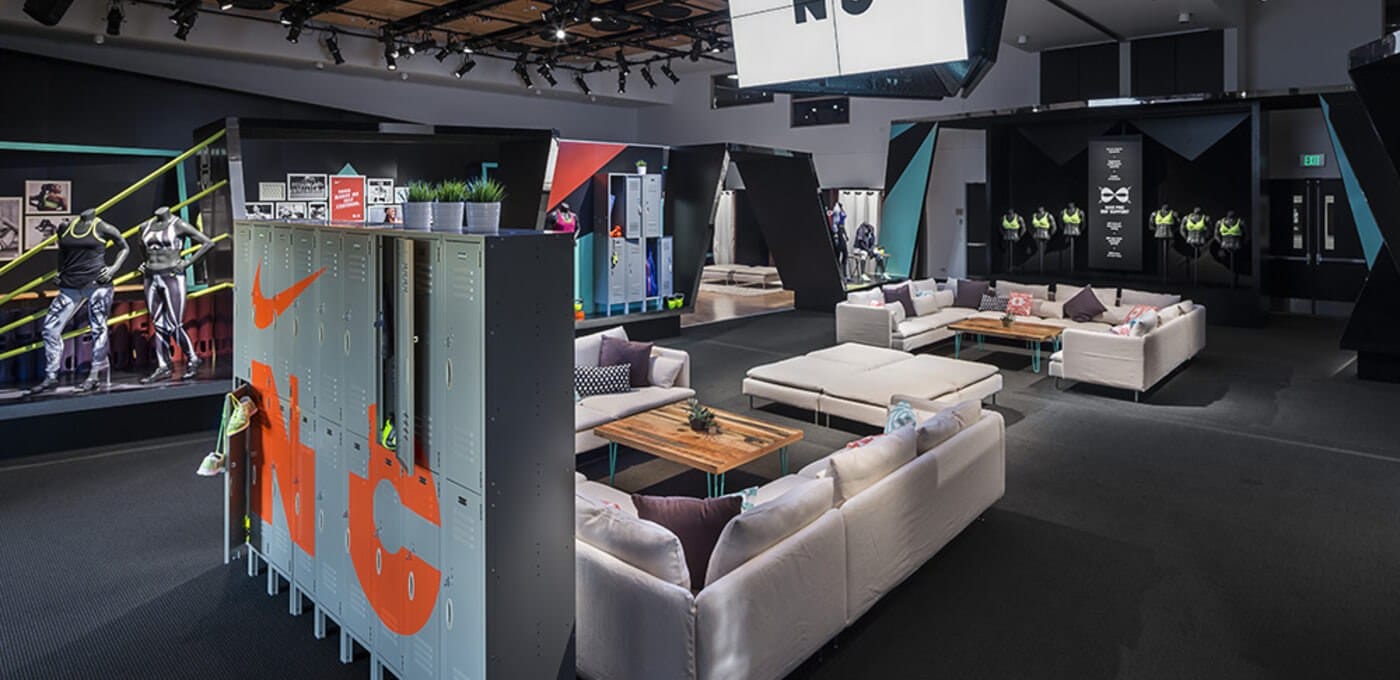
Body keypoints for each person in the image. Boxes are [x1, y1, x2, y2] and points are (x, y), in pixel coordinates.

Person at [25, 209, 128, 396]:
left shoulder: (102, 227)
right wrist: (59, 271)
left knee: (98, 329)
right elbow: (62, 252)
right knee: (50, 329)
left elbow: (124, 247)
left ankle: (94, 375)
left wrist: (113, 269)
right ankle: (51, 375)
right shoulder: (65, 227)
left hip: (97, 284)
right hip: (70, 285)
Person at [139, 207, 216, 384]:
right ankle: (163, 366)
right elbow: (140, 246)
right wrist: (145, 262)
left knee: (174, 323)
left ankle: (193, 358)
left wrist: (188, 263)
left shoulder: (178, 224)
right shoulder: (145, 226)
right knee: (158, 322)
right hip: (151, 276)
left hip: (172, 276)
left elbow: (208, 243)